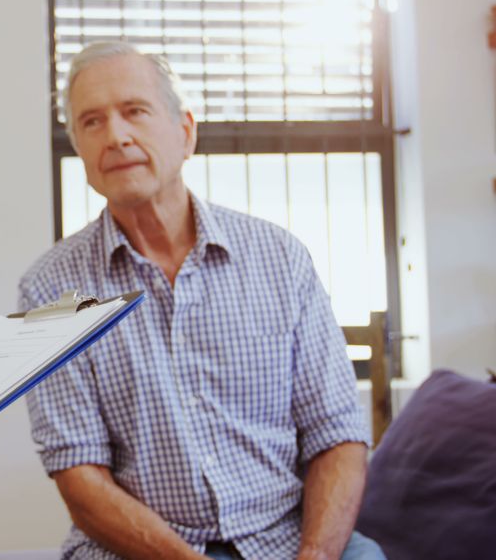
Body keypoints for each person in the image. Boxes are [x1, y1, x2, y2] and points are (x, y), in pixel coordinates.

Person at [20, 42, 385, 560]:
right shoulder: (51, 290)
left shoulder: (280, 258)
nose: (116, 135)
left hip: (291, 539)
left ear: (186, 131)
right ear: (78, 147)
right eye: (92, 122)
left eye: (135, 111)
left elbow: (338, 434)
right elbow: (80, 477)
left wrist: (316, 556)